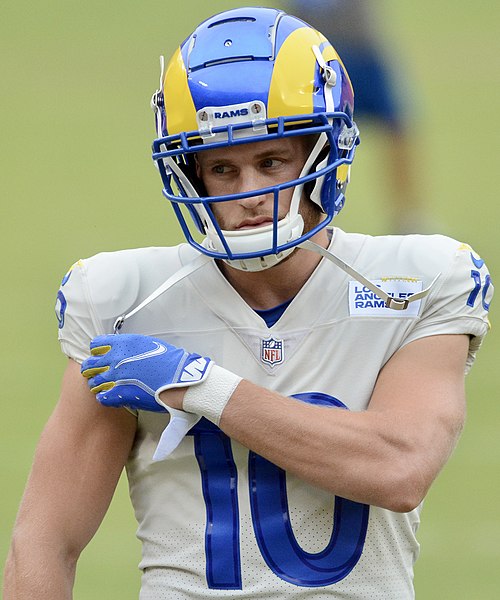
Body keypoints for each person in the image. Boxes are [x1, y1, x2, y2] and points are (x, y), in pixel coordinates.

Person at [3, 6, 493, 600]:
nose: (250, 195)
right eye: (221, 169)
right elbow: (46, 541)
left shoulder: (417, 282)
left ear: (323, 152)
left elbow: (399, 467)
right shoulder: (122, 302)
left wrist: (200, 387)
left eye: (271, 161)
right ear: (191, 176)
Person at [289, 0, 425, 233]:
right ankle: (307, 215)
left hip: (359, 43)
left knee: (397, 128)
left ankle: (408, 217)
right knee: (311, 135)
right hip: (315, 52)